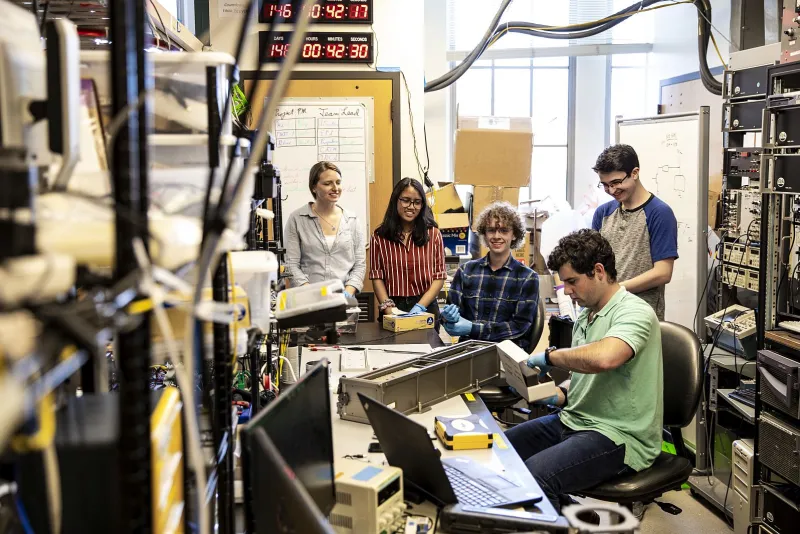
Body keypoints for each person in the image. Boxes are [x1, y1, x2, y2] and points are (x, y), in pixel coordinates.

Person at [506, 229, 663, 511]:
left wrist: (552, 357)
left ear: (598, 271)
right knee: (502, 452)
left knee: (536, 475)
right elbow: (584, 379)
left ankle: (560, 515)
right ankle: (570, 514)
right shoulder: (587, 315)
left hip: (620, 435)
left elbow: (605, 358)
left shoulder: (634, 312)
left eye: (572, 281)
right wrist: (557, 395)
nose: (567, 291)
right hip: (576, 420)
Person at [592, 144, 678, 320]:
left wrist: (615, 290)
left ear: (635, 173)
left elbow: (663, 273)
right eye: (605, 185)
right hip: (605, 312)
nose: (611, 190)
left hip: (640, 316)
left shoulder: (659, 213)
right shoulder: (603, 213)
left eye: (616, 182)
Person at [441, 202, 539, 350]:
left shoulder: (527, 277)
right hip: (468, 351)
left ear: (514, 235)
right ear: (484, 235)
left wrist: (473, 329)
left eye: (504, 231)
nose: (496, 236)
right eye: (491, 230)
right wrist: (448, 318)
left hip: (505, 353)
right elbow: (452, 313)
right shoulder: (466, 271)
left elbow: (519, 327)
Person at [370, 178, 446, 320]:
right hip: (392, 306)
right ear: (395, 200)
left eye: (417, 202)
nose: (411, 206)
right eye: (405, 200)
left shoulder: (433, 234)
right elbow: (377, 276)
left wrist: (420, 306)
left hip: (425, 305)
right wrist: (388, 309)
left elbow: (439, 276)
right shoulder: (379, 236)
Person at [284, 162, 365, 295]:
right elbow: (291, 264)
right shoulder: (297, 219)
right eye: (327, 183)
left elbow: (359, 265)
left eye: (338, 182)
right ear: (314, 187)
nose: (335, 188)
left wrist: (347, 294)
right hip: (308, 302)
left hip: (344, 303)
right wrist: (313, 294)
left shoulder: (352, 220)